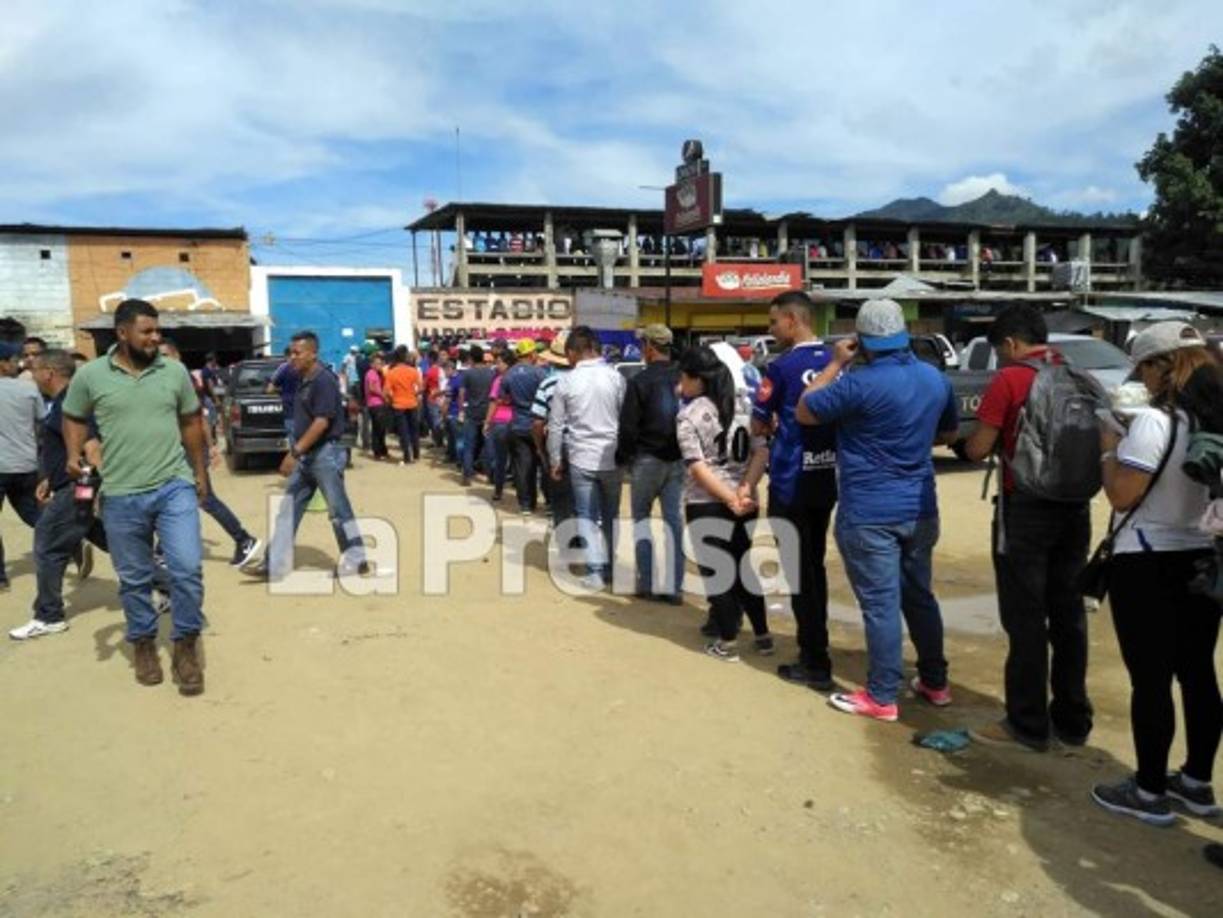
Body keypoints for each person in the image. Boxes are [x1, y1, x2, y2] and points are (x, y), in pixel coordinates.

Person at [797, 299, 959, 722]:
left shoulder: (858, 383)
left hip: (869, 511)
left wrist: (835, 364)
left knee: (881, 605)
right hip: (921, 508)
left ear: (862, 340)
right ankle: (935, 682)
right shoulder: (934, 378)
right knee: (919, 596)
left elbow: (805, 410)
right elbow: (948, 431)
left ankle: (883, 694)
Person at [1090, 323, 1222, 826]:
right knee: (1199, 673)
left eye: (1142, 367)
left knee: (1150, 680)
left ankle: (1147, 792)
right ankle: (1196, 782)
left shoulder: (1153, 422)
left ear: (1157, 367)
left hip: (1145, 559)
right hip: (1202, 558)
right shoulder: (1213, 423)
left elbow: (1123, 495)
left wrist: (1107, 446)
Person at [962, 305, 1094, 751]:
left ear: (1011, 344)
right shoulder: (1076, 374)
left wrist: (967, 443)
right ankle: (1073, 720)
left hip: (1027, 510)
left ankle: (1027, 723)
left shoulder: (1011, 379)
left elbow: (979, 448)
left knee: (1026, 619)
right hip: (1075, 507)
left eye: (1001, 350)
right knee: (1069, 615)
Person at [62, 299, 209, 695]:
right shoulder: (91, 375)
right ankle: (143, 642)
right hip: (121, 492)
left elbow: (191, 421)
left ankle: (185, 645)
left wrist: (200, 472)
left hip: (172, 484)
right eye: (146, 331)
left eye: (157, 330)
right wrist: (73, 453)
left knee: (187, 568)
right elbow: (73, 415)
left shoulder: (174, 371)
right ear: (122, 333)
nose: (154, 337)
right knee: (134, 578)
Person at [745, 291, 839, 690]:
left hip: (790, 482)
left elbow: (757, 424)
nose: (771, 329)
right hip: (827, 478)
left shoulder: (781, 368)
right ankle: (814, 647)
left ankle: (815, 661)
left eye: (772, 322)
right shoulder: (840, 363)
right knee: (814, 567)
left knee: (800, 574)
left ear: (791, 320)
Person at [244, 331, 368, 581]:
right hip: (308, 457)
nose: (292, 357)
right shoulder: (302, 378)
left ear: (313, 353)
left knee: (338, 511)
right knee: (288, 509)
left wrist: (295, 452)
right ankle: (274, 564)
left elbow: (322, 422)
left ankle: (357, 560)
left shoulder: (324, 381)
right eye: (290, 352)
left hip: (324, 454)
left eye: (297, 353)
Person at [8, 349, 110, 640]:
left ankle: (49, 615)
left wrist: (88, 490)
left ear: (49, 372)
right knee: (107, 538)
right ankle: (163, 583)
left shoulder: (71, 402)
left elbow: (91, 448)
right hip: (66, 485)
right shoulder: (59, 403)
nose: (32, 375)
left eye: (35, 369)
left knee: (47, 546)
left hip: (75, 487)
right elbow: (64, 447)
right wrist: (49, 479)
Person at [678, 346, 772, 660]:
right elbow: (761, 451)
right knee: (744, 567)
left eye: (684, 376)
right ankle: (762, 635)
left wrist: (729, 496)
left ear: (696, 379)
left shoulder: (690, 414)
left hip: (707, 501)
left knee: (719, 572)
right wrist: (744, 488)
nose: (681, 383)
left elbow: (697, 466)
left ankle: (727, 640)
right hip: (746, 500)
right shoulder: (745, 407)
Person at [159, 340, 261, 568]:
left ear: (176, 356)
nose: (161, 359)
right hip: (174, 451)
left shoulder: (180, 379)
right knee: (176, 499)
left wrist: (209, 446)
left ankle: (243, 539)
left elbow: (196, 418)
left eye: (165, 354)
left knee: (203, 499)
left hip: (187, 451)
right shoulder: (166, 379)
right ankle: (164, 551)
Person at [547, 326, 626, 588]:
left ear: (572, 352)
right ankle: (610, 568)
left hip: (581, 456)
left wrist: (555, 459)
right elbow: (625, 418)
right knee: (610, 514)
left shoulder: (566, 382)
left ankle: (595, 572)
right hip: (613, 456)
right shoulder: (616, 378)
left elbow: (556, 425)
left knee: (586, 515)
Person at [617, 324, 683, 603]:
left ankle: (646, 583)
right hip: (678, 459)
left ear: (650, 348)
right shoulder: (684, 375)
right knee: (673, 523)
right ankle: (674, 588)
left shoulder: (640, 381)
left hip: (646, 459)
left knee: (642, 521)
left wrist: (624, 458)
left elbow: (628, 427)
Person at [0, 340, 45, 591]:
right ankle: (69, 543)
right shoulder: (28, 389)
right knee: (32, 513)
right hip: (26, 463)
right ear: (4, 365)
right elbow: (42, 422)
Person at [532, 332, 574, 528]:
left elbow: (538, 422)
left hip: (558, 443)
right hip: (587, 444)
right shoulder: (588, 380)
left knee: (560, 496)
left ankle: (566, 537)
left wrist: (541, 449)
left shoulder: (547, 384)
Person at [502, 339, 546, 515]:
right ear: (531, 354)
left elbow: (504, 398)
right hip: (538, 424)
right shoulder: (539, 373)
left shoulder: (508, 375)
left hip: (517, 425)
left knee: (522, 466)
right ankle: (549, 503)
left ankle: (526, 504)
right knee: (544, 463)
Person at [460, 345, 495, 487]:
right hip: (488, 413)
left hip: (472, 412)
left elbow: (462, 394)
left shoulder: (467, 374)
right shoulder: (492, 373)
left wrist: (462, 409)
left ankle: (467, 476)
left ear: (471, 358)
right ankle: (490, 475)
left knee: (469, 446)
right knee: (489, 446)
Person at [483, 350, 515, 501]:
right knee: (518, 459)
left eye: (499, 363)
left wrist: (487, 422)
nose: (497, 366)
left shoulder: (499, 380)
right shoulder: (518, 379)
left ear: (507, 363)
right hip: (517, 421)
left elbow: (493, 402)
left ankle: (498, 490)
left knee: (500, 459)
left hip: (501, 421)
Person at [384, 346, 422, 464]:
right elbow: (421, 388)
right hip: (412, 403)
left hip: (398, 405)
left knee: (403, 431)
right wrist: (414, 395)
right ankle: (416, 454)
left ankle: (407, 456)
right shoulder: (413, 371)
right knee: (414, 430)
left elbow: (385, 392)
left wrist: (391, 399)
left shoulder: (391, 373)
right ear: (406, 357)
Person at [267, 347, 299, 438]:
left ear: (286, 355)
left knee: (294, 442)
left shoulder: (284, 368)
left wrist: (282, 390)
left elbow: (270, 390)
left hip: (290, 412)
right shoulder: (307, 368)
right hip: (307, 414)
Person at [364, 352, 392, 461]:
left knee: (380, 429)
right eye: (377, 363)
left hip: (378, 403)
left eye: (380, 363)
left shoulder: (377, 373)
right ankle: (378, 452)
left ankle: (382, 450)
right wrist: (382, 394)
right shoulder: (371, 373)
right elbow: (371, 388)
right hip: (375, 404)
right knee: (378, 429)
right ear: (372, 364)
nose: (379, 365)